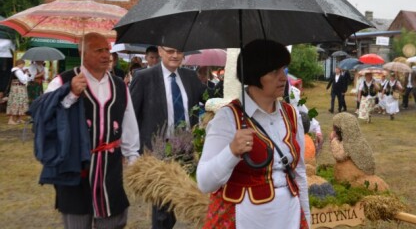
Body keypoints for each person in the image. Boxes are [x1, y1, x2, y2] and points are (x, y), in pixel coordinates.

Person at [196, 39, 310, 228]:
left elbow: (299, 173)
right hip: (247, 219)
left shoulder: (292, 114)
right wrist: (231, 152)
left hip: (288, 218)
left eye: (283, 69)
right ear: (255, 74)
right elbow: (205, 182)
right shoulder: (228, 118)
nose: (283, 77)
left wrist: (306, 218)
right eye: (274, 71)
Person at [31, 32, 140, 228]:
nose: (106, 55)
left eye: (108, 50)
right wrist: (70, 94)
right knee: (77, 221)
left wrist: (132, 157)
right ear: (82, 52)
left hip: (110, 169)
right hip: (76, 168)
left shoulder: (119, 85)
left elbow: (129, 122)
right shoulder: (63, 81)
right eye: (99, 50)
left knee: (113, 221)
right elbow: (43, 116)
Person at [129, 45, 206, 229]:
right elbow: (131, 115)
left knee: (188, 197)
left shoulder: (189, 76)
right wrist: (133, 151)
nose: (175, 55)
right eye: (170, 51)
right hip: (158, 150)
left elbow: (206, 98)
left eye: (179, 52)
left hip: (186, 149)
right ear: (160, 51)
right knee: (162, 206)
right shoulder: (144, 77)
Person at [6, 59, 30, 125]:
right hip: (17, 88)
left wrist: (26, 74)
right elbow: (23, 80)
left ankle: (19, 119)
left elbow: (25, 80)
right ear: (19, 64)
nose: (23, 66)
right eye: (22, 64)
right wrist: (26, 74)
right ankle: (11, 120)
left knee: (21, 102)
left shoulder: (20, 71)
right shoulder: (17, 71)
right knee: (15, 102)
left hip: (20, 88)